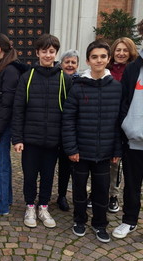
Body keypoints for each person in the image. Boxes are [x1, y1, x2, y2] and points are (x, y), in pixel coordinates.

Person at [62, 40, 122, 243]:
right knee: (79, 189)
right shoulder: (78, 87)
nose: (99, 60)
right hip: (81, 150)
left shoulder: (116, 87)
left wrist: (116, 149)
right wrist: (71, 147)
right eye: (94, 57)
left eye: (103, 56)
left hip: (105, 151)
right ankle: (79, 220)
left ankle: (99, 224)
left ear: (108, 59)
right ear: (88, 60)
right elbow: (68, 119)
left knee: (102, 191)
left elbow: (117, 122)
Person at [12, 34, 72, 228]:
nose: (48, 55)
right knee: (29, 176)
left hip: (53, 140)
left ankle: (43, 207)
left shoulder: (64, 78)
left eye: (52, 51)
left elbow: (69, 111)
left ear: (56, 53)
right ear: (37, 53)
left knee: (48, 176)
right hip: (30, 139)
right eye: (44, 51)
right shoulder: (27, 77)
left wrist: (65, 139)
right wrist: (17, 138)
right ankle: (30, 206)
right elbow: (18, 109)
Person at [0, 33, 28, 216]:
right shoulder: (6, 66)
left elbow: (7, 102)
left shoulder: (9, 70)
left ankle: (0, 206)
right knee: (2, 163)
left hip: (2, 123)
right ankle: (2, 197)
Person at [112, 20, 143, 239]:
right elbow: (123, 102)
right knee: (132, 184)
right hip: (134, 140)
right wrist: (125, 126)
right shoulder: (133, 68)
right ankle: (129, 220)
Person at [106, 37, 138, 213]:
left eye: (125, 50)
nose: (121, 53)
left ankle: (113, 195)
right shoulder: (107, 70)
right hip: (108, 121)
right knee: (104, 161)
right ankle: (98, 192)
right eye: (118, 50)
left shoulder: (134, 71)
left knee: (117, 163)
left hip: (126, 122)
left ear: (130, 52)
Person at [57, 49, 80, 211]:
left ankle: (73, 196)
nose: (70, 65)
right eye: (67, 62)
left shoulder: (82, 81)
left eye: (73, 62)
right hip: (57, 129)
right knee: (59, 166)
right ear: (61, 64)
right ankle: (60, 195)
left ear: (77, 65)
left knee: (73, 166)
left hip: (75, 130)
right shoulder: (57, 79)